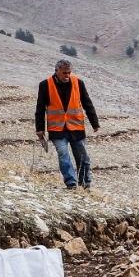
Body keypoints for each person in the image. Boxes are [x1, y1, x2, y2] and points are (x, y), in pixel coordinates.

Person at [34, 60, 100, 189]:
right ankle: (71, 183)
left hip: (76, 128)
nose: (67, 76)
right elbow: (40, 108)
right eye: (64, 73)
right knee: (63, 154)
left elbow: (87, 103)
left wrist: (95, 123)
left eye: (69, 73)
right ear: (56, 71)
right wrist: (39, 128)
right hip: (57, 129)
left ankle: (85, 183)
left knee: (83, 157)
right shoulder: (45, 85)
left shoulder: (78, 83)